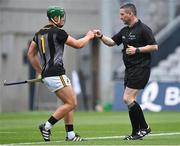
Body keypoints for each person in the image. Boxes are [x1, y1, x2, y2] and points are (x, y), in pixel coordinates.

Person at [27, 6, 94, 142]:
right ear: (55, 18)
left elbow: (30, 54)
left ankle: (70, 135)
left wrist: (41, 72)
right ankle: (46, 126)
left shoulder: (38, 33)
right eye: (61, 17)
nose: (63, 19)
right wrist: (89, 36)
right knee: (72, 103)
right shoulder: (59, 32)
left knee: (67, 103)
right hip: (56, 73)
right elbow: (78, 45)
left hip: (48, 74)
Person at [94, 3, 158, 140]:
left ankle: (144, 127)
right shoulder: (125, 31)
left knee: (127, 98)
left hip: (141, 68)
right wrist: (101, 36)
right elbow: (111, 42)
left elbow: (154, 46)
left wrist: (137, 50)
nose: (120, 17)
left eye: (122, 14)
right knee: (129, 100)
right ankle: (136, 132)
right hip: (129, 69)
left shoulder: (143, 29)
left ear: (131, 14)